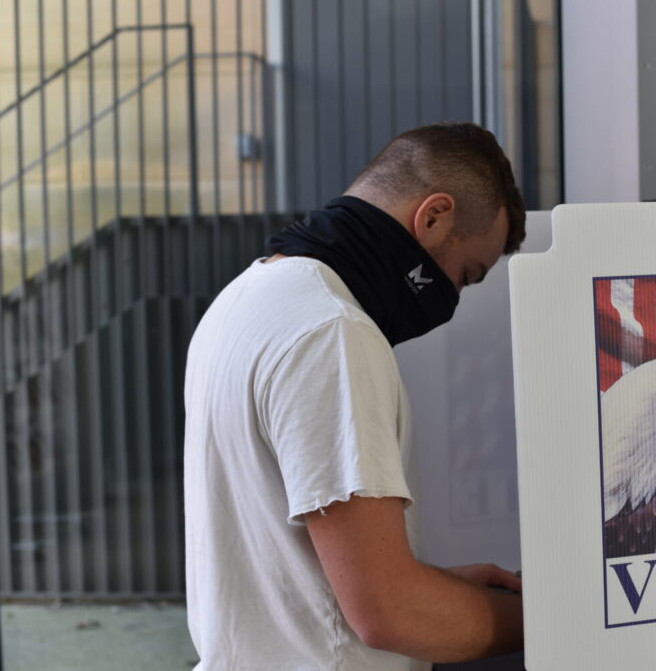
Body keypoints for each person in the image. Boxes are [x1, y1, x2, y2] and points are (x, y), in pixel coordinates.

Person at [183, 122, 527, 670]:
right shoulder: (332, 333)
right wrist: (555, 616)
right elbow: (390, 614)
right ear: (433, 217)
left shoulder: (248, 298)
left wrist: (439, 589)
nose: (455, 298)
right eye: (467, 274)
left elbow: (290, 560)